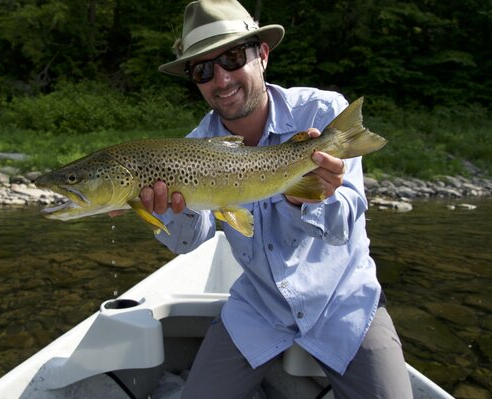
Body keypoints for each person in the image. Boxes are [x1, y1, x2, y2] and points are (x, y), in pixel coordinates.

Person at [141, 1, 413, 398]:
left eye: (232, 58)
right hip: (258, 309)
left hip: (343, 302)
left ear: (262, 55)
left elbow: (343, 228)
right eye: (202, 69)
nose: (220, 79)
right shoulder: (191, 150)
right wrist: (164, 211)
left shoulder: (322, 114)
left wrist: (309, 197)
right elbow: (189, 240)